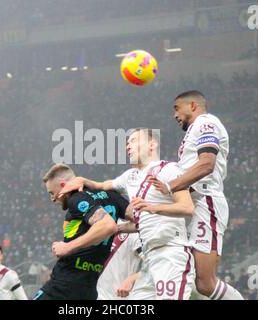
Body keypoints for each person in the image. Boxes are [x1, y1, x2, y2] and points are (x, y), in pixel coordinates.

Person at [59, 128, 196, 300]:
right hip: (150, 258)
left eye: (133, 141)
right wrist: (83, 181)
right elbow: (103, 186)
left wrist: (153, 207)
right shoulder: (129, 176)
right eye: (127, 143)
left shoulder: (168, 170)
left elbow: (187, 208)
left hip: (171, 252)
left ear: (152, 144)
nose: (128, 146)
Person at [152, 90, 244, 300]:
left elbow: (206, 164)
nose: (174, 115)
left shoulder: (206, 123)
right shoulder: (194, 130)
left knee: (204, 282)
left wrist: (171, 186)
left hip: (207, 202)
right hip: (195, 204)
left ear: (192, 105)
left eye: (177, 108)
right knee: (189, 278)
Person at [32, 163, 129, 300]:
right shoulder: (110, 196)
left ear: (62, 185)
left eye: (52, 193)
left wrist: (67, 247)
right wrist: (120, 228)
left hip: (62, 287)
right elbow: (141, 220)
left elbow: (107, 226)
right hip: (88, 290)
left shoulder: (76, 198)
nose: (53, 199)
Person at [96, 226, 142, 300]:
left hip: (115, 296)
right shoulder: (99, 225)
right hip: (92, 293)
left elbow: (154, 267)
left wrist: (131, 279)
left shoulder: (136, 233)